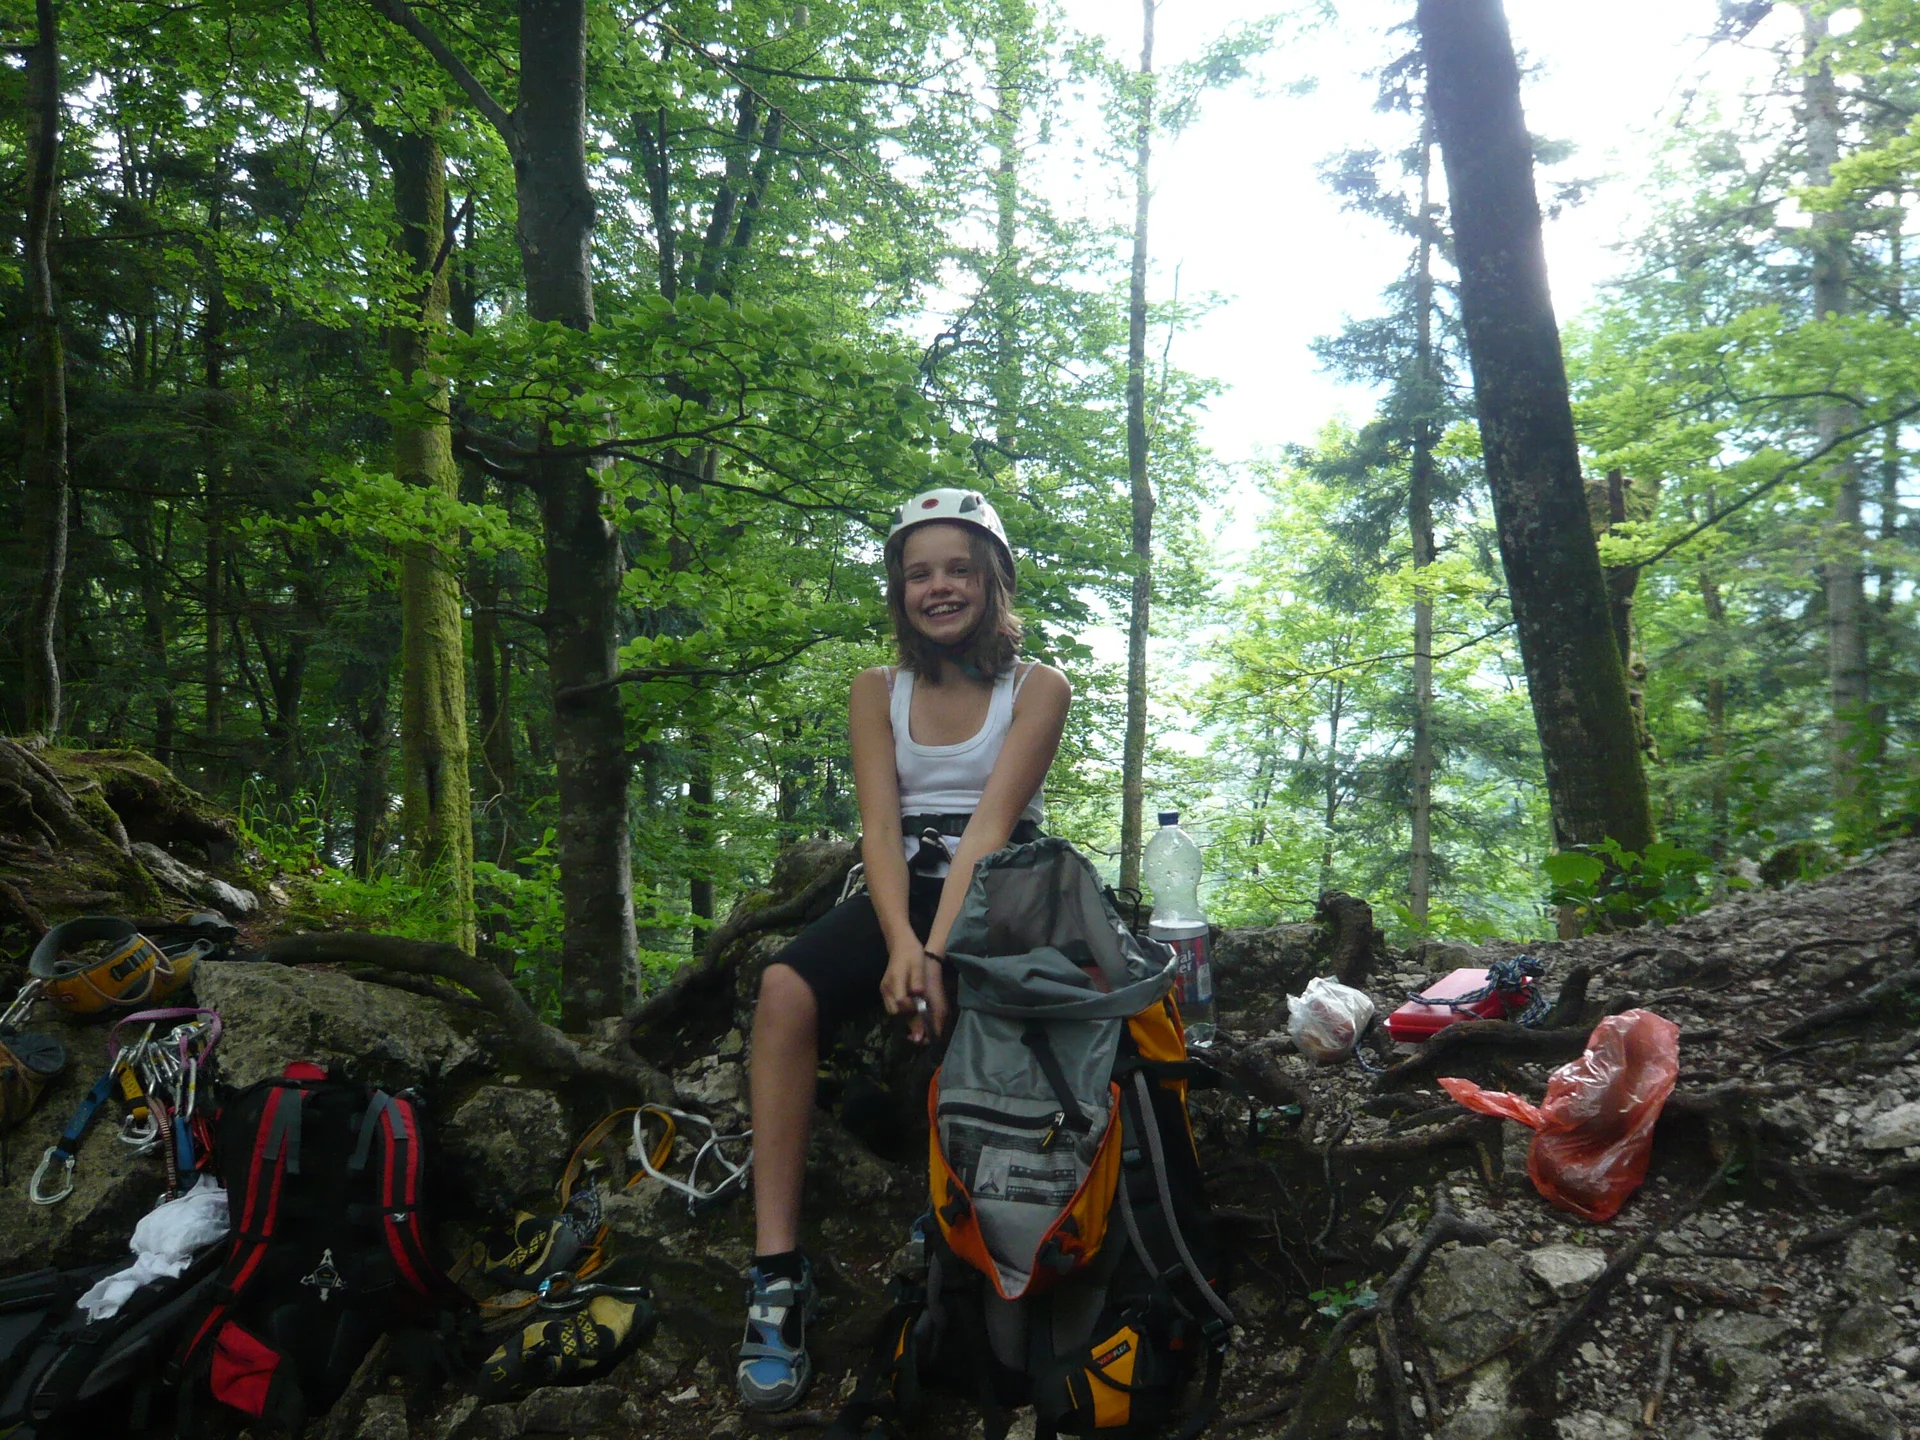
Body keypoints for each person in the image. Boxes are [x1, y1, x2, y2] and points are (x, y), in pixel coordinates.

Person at [736, 488, 1071, 1411]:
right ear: (899, 591)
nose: (940, 587)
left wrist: (935, 947)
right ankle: (775, 1275)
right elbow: (879, 830)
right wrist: (899, 941)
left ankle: (964, 1239)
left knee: (986, 1018)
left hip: (999, 887)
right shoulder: (875, 691)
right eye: (919, 573)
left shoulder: (1036, 687)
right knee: (783, 988)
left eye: (959, 568)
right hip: (897, 887)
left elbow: (992, 828)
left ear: (992, 578)